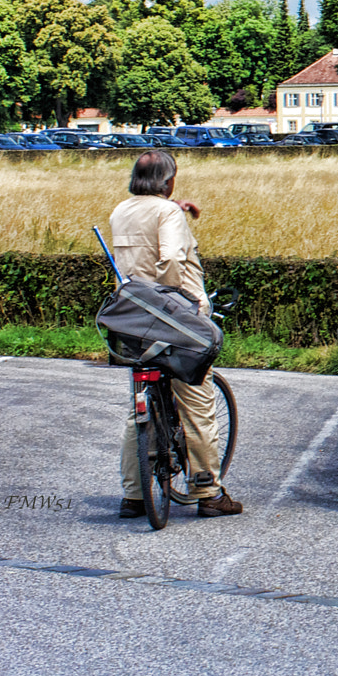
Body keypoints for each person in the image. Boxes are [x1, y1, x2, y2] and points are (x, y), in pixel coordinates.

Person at [112, 151, 243, 519]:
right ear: (168, 181)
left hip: (134, 320)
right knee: (197, 403)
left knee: (140, 405)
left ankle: (134, 496)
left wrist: (175, 208)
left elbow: (145, 235)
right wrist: (175, 305)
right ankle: (208, 491)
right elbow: (168, 258)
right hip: (175, 322)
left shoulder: (122, 210)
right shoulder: (166, 212)